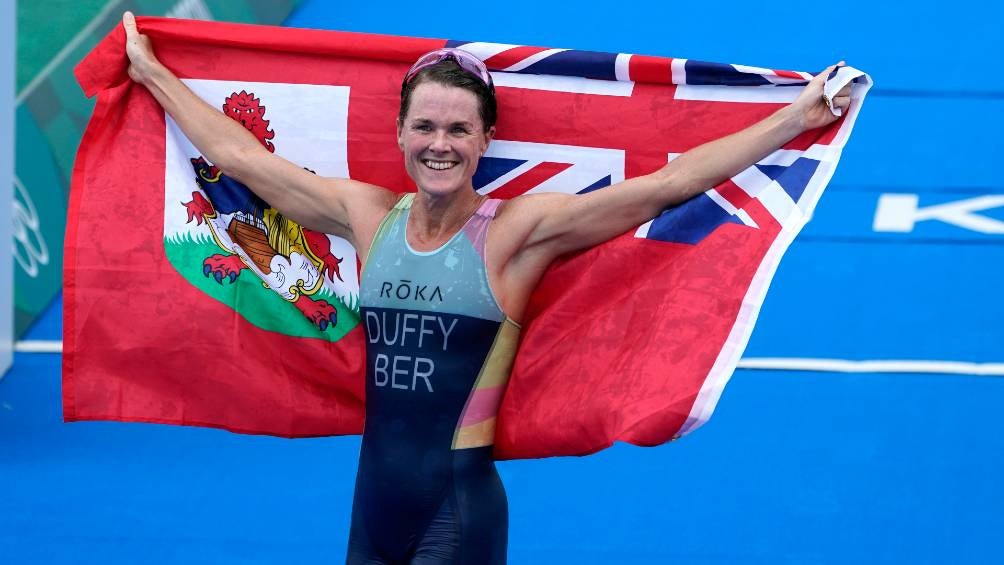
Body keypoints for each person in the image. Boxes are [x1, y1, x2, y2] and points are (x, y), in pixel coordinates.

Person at [121, 11, 852, 565]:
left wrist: (797, 116)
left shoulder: (514, 235)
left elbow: (668, 185)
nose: (440, 144)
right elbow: (240, 158)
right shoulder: (366, 215)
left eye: (459, 130)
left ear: (485, 139)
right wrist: (152, 73)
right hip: (370, 507)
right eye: (425, 127)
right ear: (400, 133)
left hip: (457, 511)